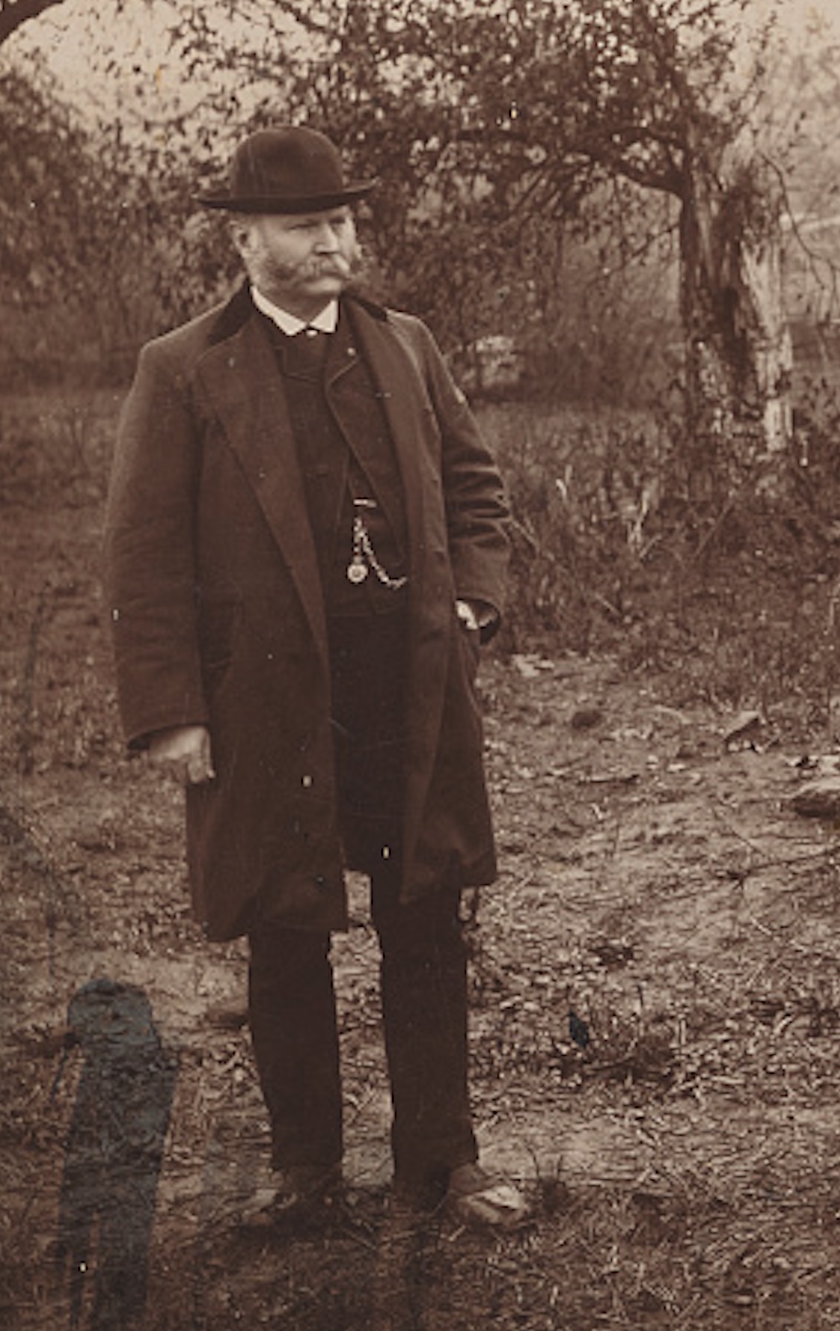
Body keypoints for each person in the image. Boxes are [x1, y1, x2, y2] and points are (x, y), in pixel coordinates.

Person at [104, 126, 529, 1233]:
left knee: (424, 916)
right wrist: (170, 714)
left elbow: (475, 489)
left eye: (343, 222)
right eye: (308, 226)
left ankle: (443, 1163)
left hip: (407, 689)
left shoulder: (407, 346)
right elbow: (143, 555)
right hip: (266, 704)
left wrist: (475, 602)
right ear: (245, 241)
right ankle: (306, 1176)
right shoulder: (184, 369)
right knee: (284, 927)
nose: (336, 242)